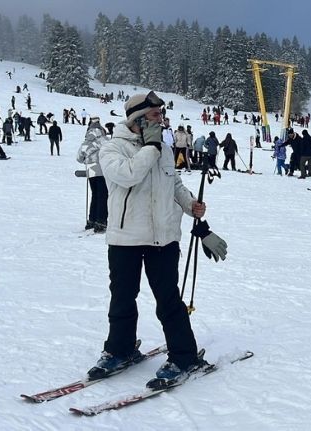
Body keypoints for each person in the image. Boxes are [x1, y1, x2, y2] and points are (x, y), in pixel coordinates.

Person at [91, 92, 227, 384]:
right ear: (138, 118)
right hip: (125, 237)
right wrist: (151, 148)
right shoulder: (112, 148)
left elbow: (174, 183)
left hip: (163, 238)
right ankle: (120, 349)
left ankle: (184, 356)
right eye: (155, 115)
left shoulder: (164, 149)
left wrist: (190, 204)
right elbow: (128, 175)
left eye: (162, 114)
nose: (162, 119)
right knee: (122, 297)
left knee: (168, 299)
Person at [76, 117, 108, 232]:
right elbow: (112, 152)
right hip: (102, 170)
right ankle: (101, 220)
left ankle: (92, 219)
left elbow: (79, 158)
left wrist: (87, 159)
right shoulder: (103, 140)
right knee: (103, 195)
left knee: (95, 194)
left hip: (91, 171)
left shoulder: (86, 142)